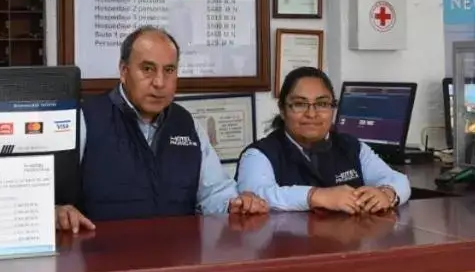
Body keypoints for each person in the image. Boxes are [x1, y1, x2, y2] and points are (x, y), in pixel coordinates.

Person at [56, 26, 268, 232]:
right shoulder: (85, 119)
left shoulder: (187, 124)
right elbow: (44, 197)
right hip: (104, 261)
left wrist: (236, 204)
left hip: (177, 260)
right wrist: (56, 211)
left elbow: (214, 192)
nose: (159, 82)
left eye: (169, 70)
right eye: (147, 69)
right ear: (123, 71)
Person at [236, 66, 411, 214]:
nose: (312, 114)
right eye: (300, 104)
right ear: (282, 110)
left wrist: (388, 194)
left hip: (347, 248)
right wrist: (316, 196)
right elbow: (257, 196)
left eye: (321, 104)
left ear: (332, 108)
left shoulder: (351, 147)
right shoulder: (259, 155)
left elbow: (397, 179)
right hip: (286, 249)